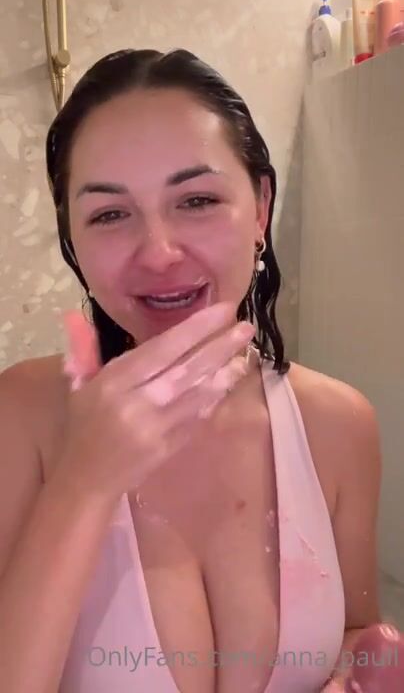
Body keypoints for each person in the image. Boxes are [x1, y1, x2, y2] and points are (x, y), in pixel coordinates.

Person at [0, 48, 401, 693]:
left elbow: (353, 632)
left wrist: (367, 667)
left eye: (197, 199)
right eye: (110, 213)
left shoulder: (338, 424)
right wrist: (82, 483)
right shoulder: (23, 415)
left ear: (261, 208)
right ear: (72, 237)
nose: (159, 253)